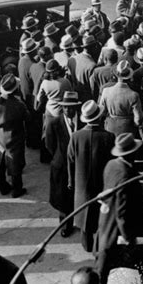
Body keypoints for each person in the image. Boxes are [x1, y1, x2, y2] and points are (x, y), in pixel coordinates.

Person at [96, 133, 143, 284]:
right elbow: (122, 212)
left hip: (106, 225)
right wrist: (129, 237)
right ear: (131, 154)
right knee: (141, 261)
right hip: (122, 231)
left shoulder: (111, 165)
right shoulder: (127, 175)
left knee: (103, 268)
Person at [67, 100, 115, 252]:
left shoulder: (75, 136)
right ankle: (99, 245)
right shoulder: (108, 137)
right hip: (102, 183)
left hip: (81, 184)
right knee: (101, 215)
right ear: (99, 118)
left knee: (84, 215)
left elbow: (70, 160)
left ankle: (87, 244)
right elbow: (113, 162)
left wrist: (71, 181)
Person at [0, 74, 29, 198]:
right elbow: (27, 117)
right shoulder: (19, 104)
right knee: (16, 165)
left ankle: (2, 187)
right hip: (14, 138)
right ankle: (17, 189)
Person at [45, 91, 82, 238]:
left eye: (71, 107)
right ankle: (66, 225)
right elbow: (49, 145)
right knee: (63, 199)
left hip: (79, 166)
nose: (68, 110)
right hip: (61, 167)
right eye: (65, 107)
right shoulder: (54, 123)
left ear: (77, 108)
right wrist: (59, 157)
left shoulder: (84, 122)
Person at [99, 60, 143, 137]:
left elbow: (102, 112)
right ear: (129, 77)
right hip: (127, 129)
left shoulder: (106, 91)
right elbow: (138, 119)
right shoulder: (133, 95)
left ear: (117, 75)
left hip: (110, 127)